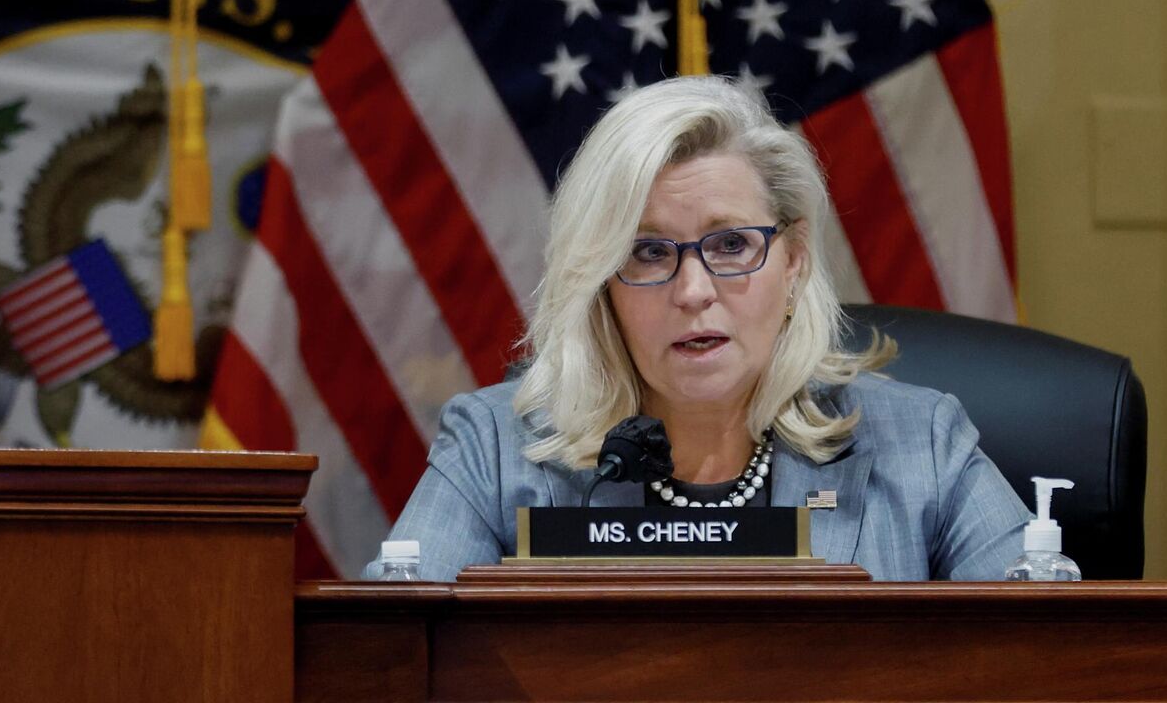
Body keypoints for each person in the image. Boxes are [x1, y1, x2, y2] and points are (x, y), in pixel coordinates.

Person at [369, 76, 1026, 581]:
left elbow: (1050, 658)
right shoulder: (493, 450)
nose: (693, 291)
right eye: (649, 252)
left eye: (732, 245)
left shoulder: (923, 447)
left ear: (793, 260)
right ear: (601, 285)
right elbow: (390, 661)